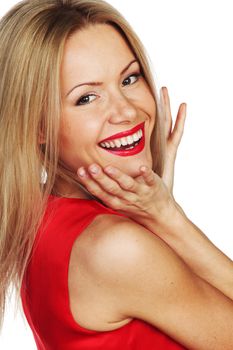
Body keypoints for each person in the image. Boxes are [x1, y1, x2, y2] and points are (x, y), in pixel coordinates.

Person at [0, 0, 232, 349]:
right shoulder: (116, 247)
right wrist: (167, 217)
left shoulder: (38, 212)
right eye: (87, 98)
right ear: (37, 126)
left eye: (129, 78)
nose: (126, 110)